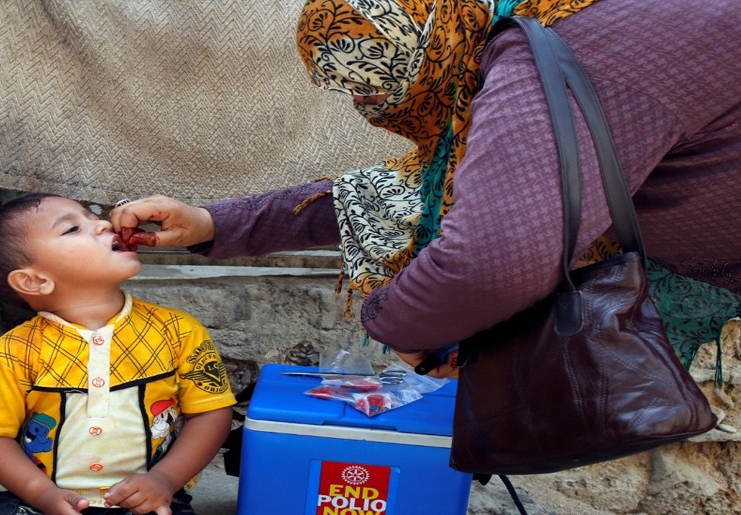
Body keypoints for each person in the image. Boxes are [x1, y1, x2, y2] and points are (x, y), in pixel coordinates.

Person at [110, 0, 741, 376]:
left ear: (427, 47)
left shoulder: (549, 59)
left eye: (379, 83)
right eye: (351, 90)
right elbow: (417, 194)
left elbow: (490, 260)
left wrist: (396, 330)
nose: (372, 105)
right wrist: (211, 223)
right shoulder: (535, 31)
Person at [0, 193, 236, 515]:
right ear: (34, 281)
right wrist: (43, 495)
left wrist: (164, 479)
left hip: (154, 512)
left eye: (93, 217)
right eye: (73, 227)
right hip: (41, 513)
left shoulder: (178, 332)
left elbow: (212, 413)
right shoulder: (12, 353)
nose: (103, 224)